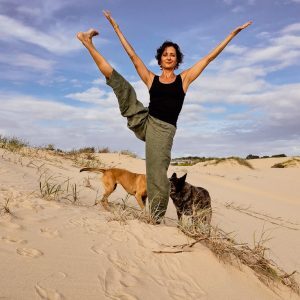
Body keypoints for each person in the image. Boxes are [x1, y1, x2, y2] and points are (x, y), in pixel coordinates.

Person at [77, 12, 252, 222]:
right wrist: (116, 28)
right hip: (146, 121)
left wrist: (232, 34)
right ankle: (87, 43)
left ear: (177, 60)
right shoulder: (152, 79)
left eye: (173, 55)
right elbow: (133, 56)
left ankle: (155, 216)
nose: (169, 57)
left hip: (162, 132)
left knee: (157, 174)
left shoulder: (184, 80)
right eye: (165, 54)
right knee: (121, 85)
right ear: (160, 59)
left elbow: (209, 58)